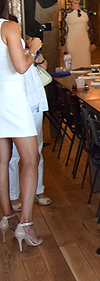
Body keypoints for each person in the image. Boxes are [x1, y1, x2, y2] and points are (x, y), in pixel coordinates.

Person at [0, 0, 43, 250]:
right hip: (11, 100)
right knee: (30, 159)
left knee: (1, 160)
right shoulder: (8, 26)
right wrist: (33, 48)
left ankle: (7, 216)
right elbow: (20, 67)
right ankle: (25, 223)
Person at [10, 35, 50, 213]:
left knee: (36, 150)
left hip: (34, 102)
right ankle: (13, 195)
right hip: (16, 104)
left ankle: (38, 190)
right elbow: (19, 67)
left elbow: (43, 67)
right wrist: (32, 52)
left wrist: (37, 57)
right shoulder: (7, 46)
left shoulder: (23, 44)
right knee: (13, 154)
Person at [59, 0, 95, 69]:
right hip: (72, 42)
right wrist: (62, 45)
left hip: (84, 42)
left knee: (85, 64)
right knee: (73, 65)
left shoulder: (85, 12)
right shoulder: (67, 13)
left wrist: (92, 42)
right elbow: (63, 30)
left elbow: (89, 28)